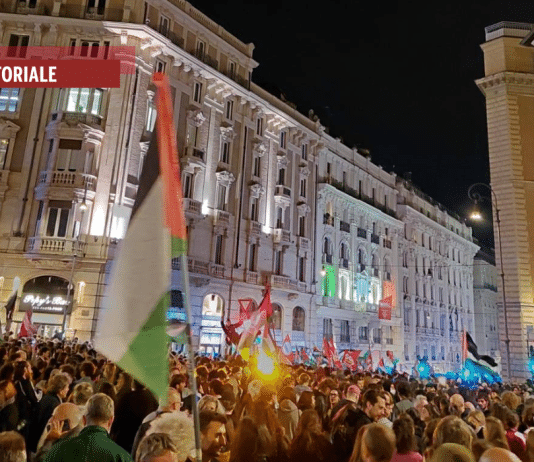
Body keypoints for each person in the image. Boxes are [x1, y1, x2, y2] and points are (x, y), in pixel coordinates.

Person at [43, 393, 133, 462]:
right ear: (111, 421)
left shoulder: (58, 450)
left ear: (84, 420)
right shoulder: (122, 457)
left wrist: (49, 441)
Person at [131, 388, 183, 460]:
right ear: (175, 405)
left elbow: (135, 454)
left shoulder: (146, 423)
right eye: (180, 404)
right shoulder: (181, 428)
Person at [29, 372, 70, 452]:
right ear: (61, 390)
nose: (68, 389)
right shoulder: (55, 405)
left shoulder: (47, 398)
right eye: (67, 387)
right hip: (40, 445)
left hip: (33, 442)